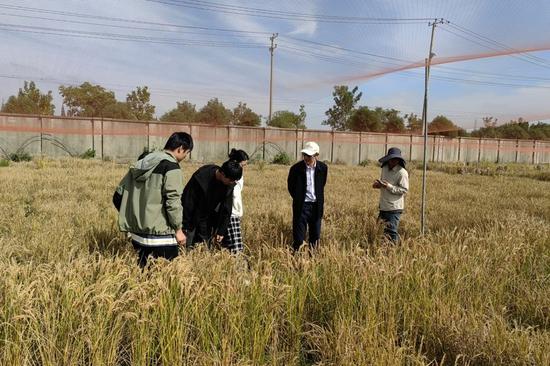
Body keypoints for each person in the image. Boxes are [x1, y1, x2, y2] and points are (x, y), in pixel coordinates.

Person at [113, 132, 193, 267]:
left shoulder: (140, 164)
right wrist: (178, 230)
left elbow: (118, 196)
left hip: (138, 236)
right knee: (165, 281)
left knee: (143, 277)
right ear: (180, 148)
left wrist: (132, 221)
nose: (185, 156)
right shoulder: (171, 166)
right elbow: (173, 201)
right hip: (162, 237)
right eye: (186, 152)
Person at [182, 160, 242, 249]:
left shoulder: (229, 184)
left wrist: (221, 231)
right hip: (191, 216)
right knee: (186, 245)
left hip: (207, 219)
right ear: (223, 174)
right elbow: (188, 201)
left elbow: (227, 208)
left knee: (205, 247)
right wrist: (185, 225)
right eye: (231, 180)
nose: (232, 183)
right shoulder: (201, 176)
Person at [287, 141, 328, 251]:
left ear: (316, 155)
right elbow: (291, 187)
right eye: (304, 155)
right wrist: (299, 198)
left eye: (309, 156)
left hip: (316, 206)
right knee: (299, 237)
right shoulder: (295, 169)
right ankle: (297, 260)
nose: (306, 158)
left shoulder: (323, 168)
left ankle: (313, 260)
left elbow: (321, 185)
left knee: (315, 237)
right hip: (301, 206)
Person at [372, 147, 409, 243]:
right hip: (383, 205)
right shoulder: (384, 168)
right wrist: (378, 185)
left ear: (399, 160)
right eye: (391, 159)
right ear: (388, 159)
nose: (393, 161)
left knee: (391, 232)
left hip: (394, 207)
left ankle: (393, 253)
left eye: (396, 159)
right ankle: (384, 250)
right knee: (380, 230)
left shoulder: (402, 172)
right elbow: (383, 183)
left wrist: (388, 186)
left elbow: (404, 190)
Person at [222, 149, 250, 254]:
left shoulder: (239, 174)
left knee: (231, 243)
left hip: (235, 212)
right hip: (231, 213)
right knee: (235, 245)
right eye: (242, 165)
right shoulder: (229, 174)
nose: (243, 168)